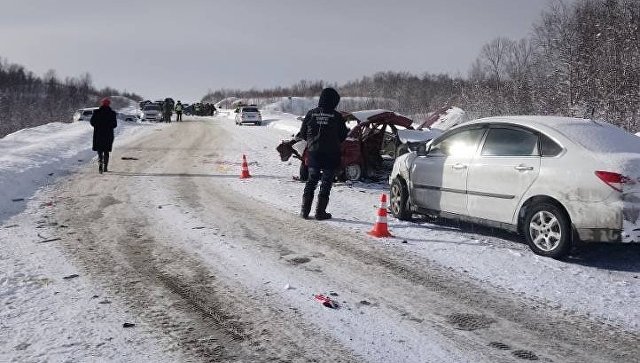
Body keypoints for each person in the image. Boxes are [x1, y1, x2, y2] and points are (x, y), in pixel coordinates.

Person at [297, 88, 348, 220]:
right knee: (326, 183)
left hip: (314, 153)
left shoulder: (311, 114)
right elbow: (344, 135)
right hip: (331, 155)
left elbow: (302, 133)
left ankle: (304, 211)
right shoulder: (337, 116)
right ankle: (320, 213)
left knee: (311, 180)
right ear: (334, 101)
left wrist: (311, 142)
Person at [90, 98, 118, 173]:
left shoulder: (96, 112)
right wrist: (108, 126)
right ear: (109, 104)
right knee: (106, 151)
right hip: (108, 135)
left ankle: (100, 163)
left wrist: (98, 125)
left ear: (101, 103)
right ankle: (105, 167)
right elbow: (115, 125)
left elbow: (92, 122)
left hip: (98, 134)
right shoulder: (112, 113)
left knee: (99, 150)